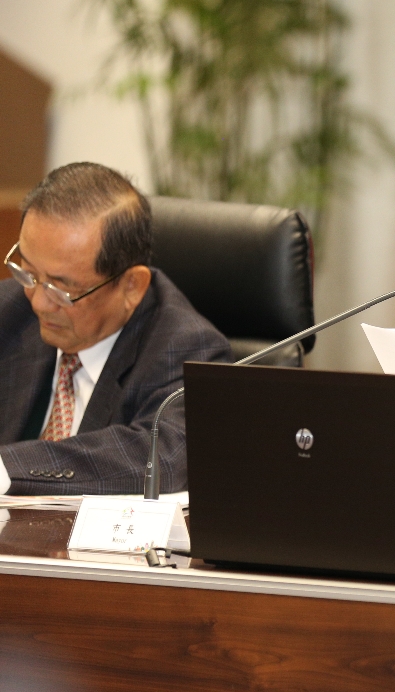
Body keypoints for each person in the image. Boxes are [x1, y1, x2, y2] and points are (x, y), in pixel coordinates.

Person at [0, 163, 232, 495]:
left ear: (131, 286)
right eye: (29, 273)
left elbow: (166, 457)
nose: (39, 302)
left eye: (63, 289)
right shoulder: (9, 311)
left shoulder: (186, 348)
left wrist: (7, 468)